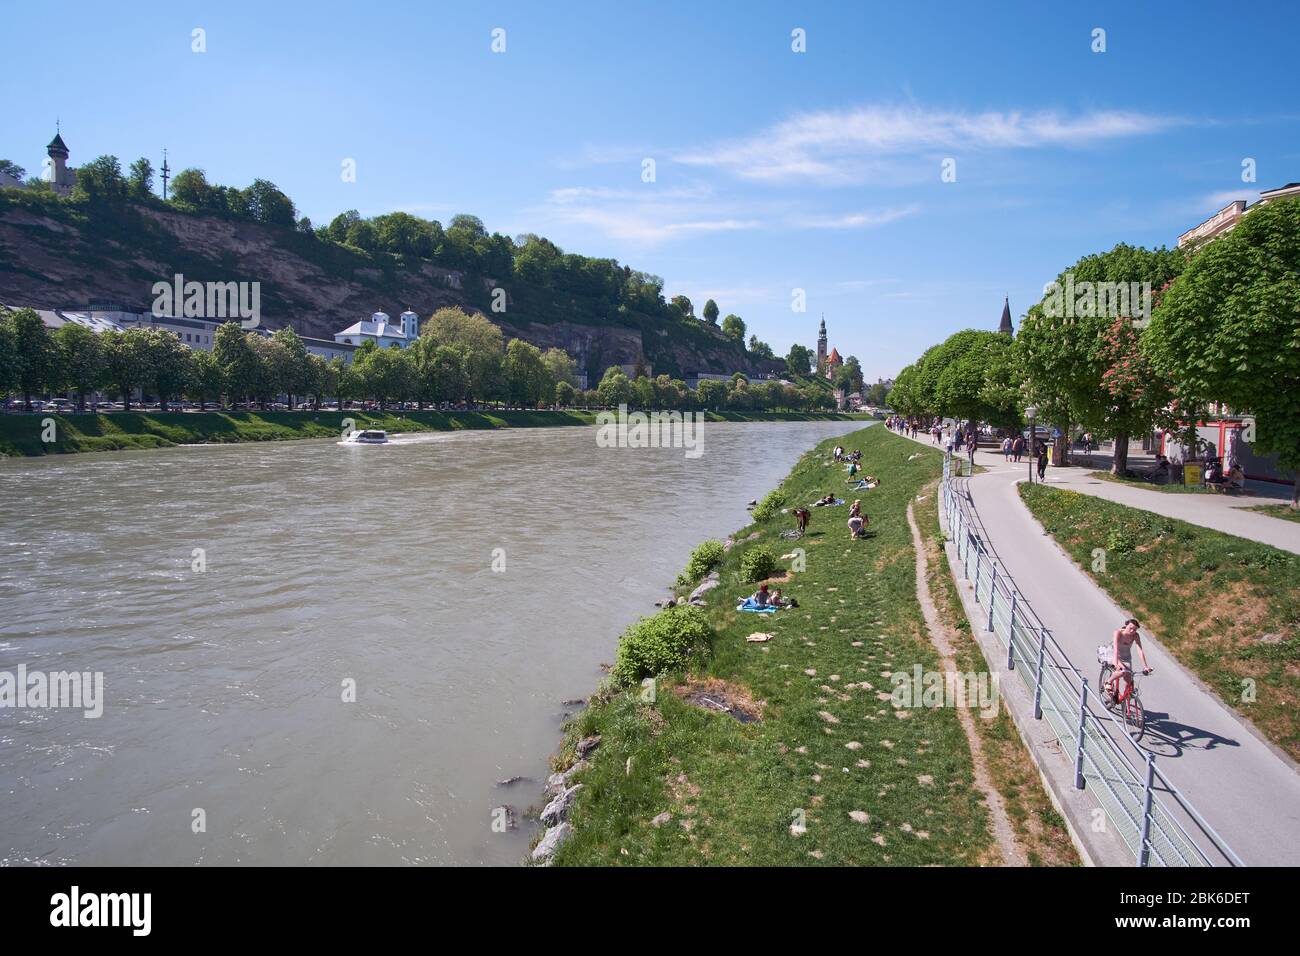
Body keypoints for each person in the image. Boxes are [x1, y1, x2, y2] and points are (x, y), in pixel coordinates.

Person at [1110, 619, 1152, 705]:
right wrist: (1116, 663)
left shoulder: (1135, 636)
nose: (1132, 631)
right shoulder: (1118, 633)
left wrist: (1145, 666)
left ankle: (1123, 703)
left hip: (1126, 658)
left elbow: (1140, 650)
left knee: (1129, 681)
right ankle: (1108, 682)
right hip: (1115, 655)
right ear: (1126, 626)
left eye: (1135, 629)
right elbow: (1115, 648)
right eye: (1130, 628)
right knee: (1122, 672)